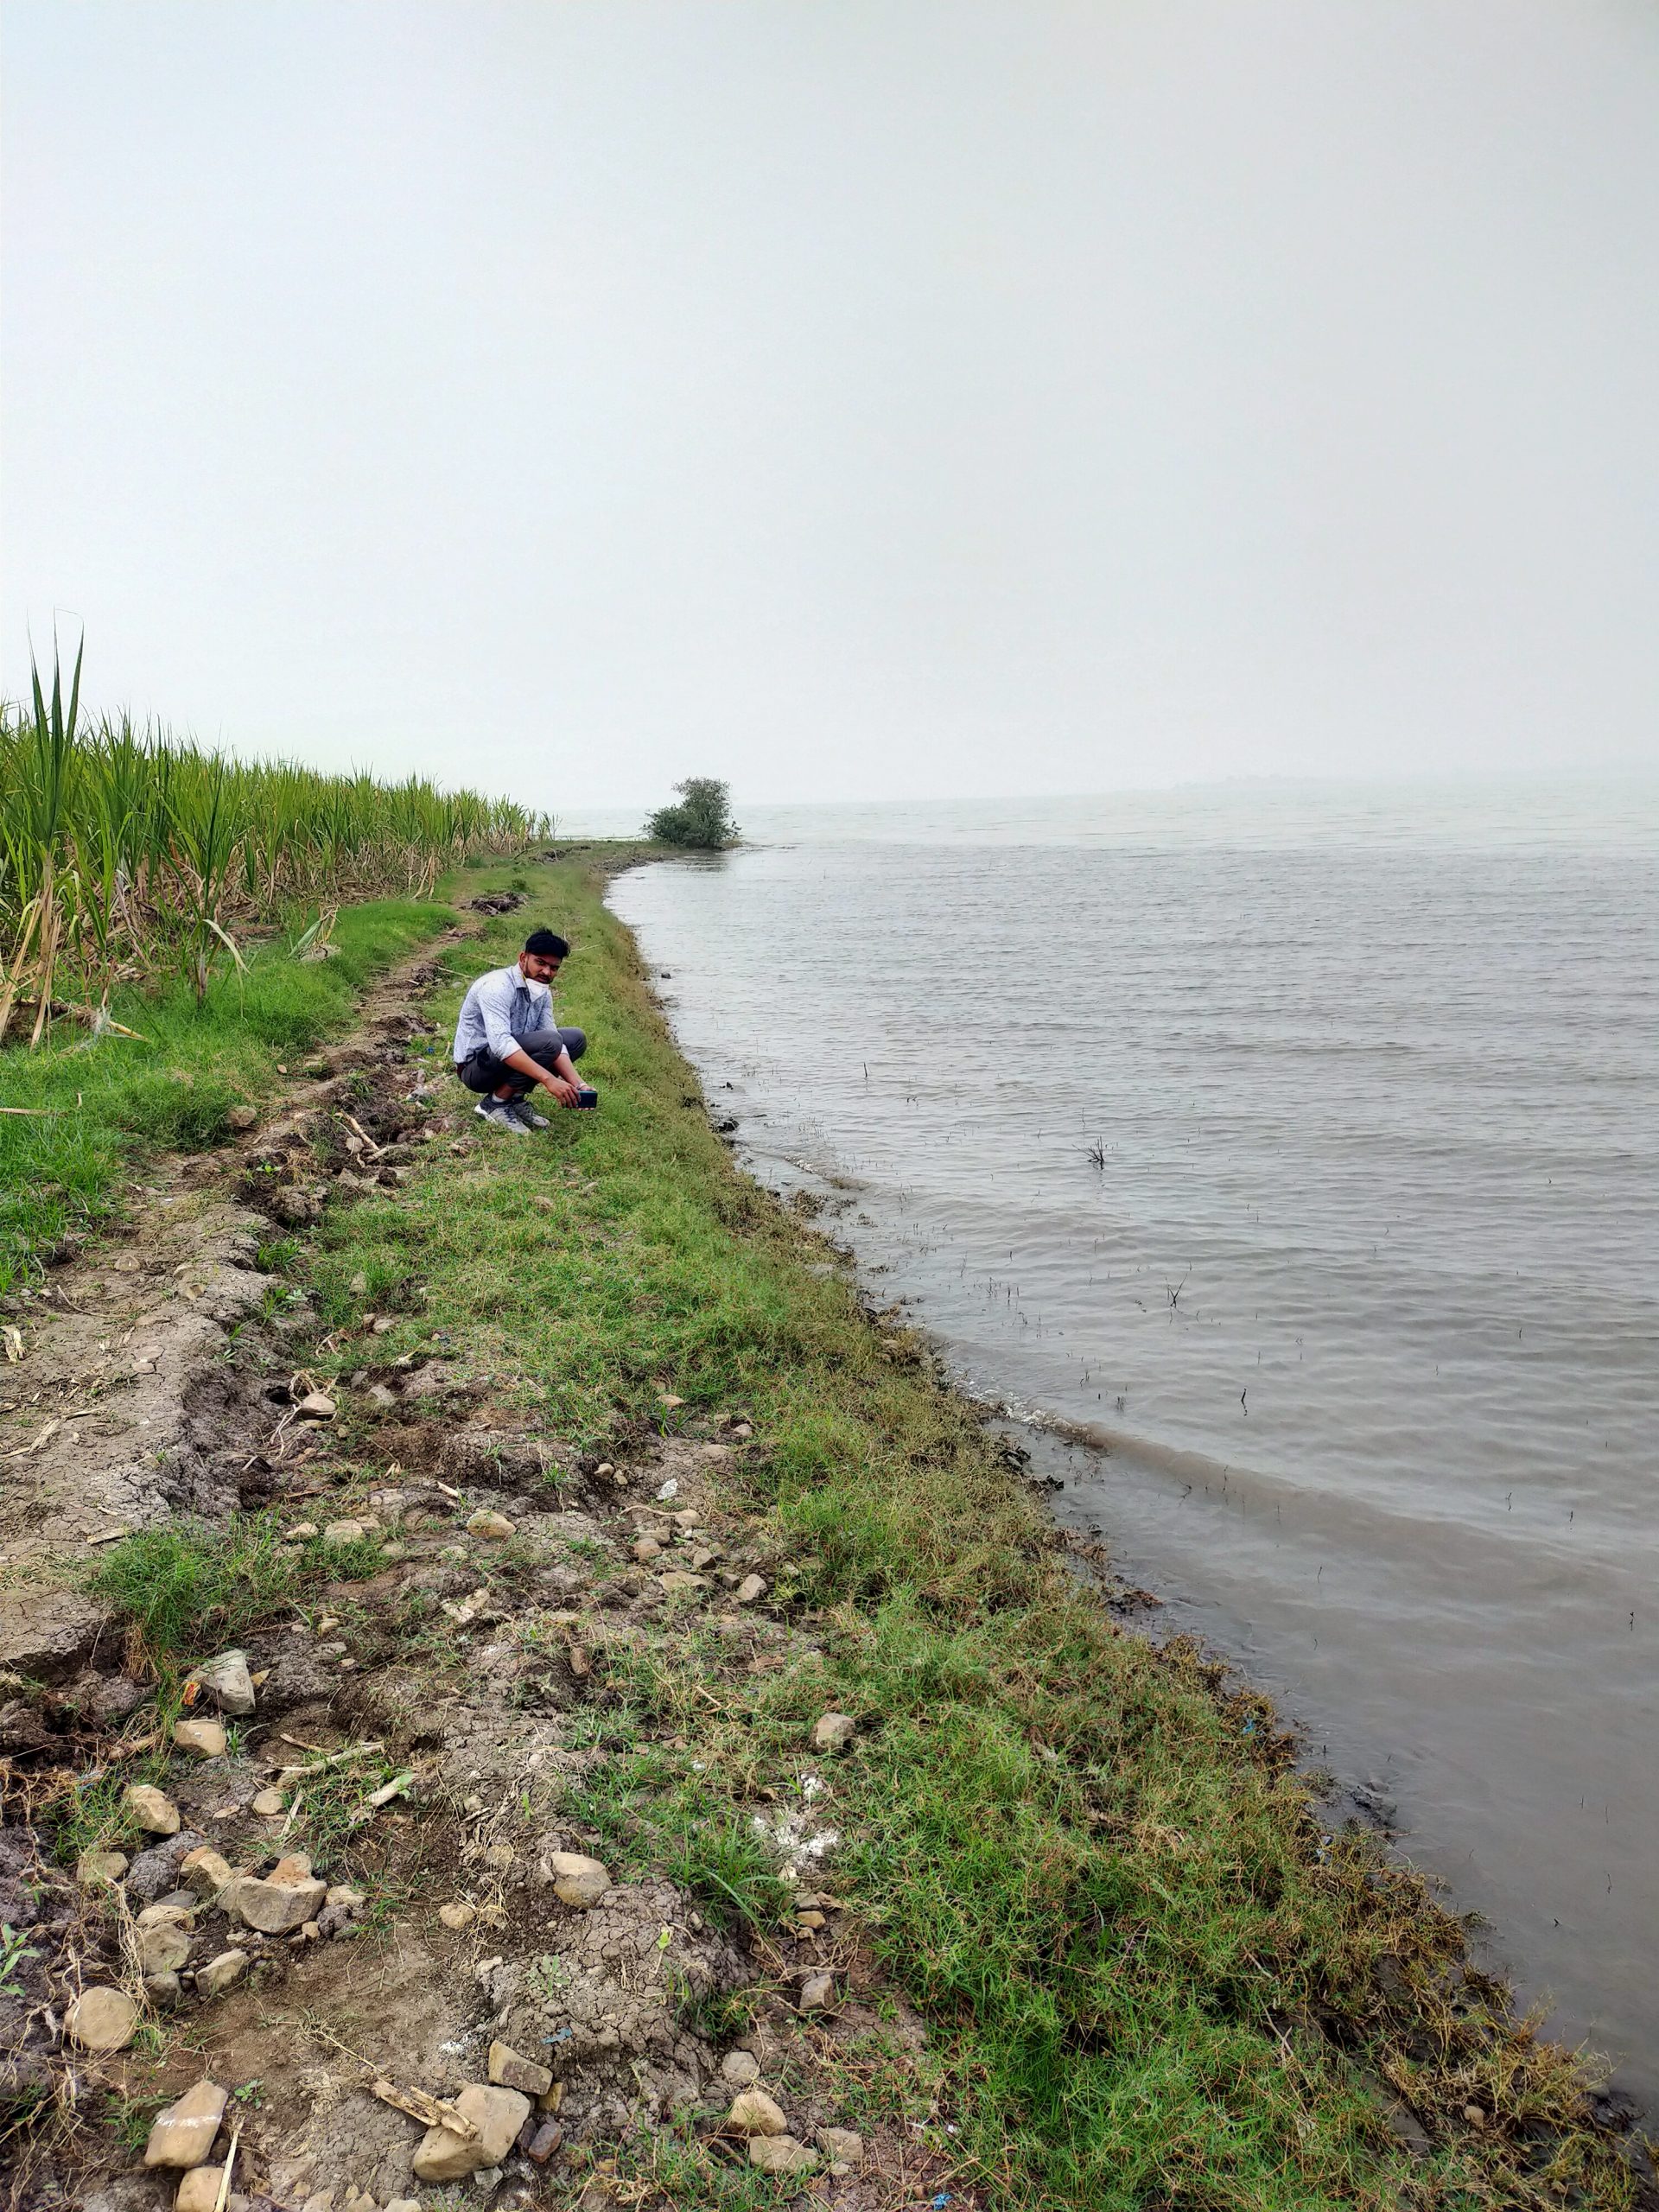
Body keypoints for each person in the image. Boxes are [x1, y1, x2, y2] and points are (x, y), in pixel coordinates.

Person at [451, 928, 594, 1132]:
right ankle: (495, 1104)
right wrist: (550, 1080)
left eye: (554, 968)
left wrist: (579, 1084)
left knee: (574, 1039)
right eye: (541, 963)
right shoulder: (496, 986)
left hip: (506, 1058)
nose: (547, 972)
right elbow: (502, 1045)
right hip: (477, 1067)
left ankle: (514, 1098)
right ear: (523, 958)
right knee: (551, 1042)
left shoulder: (542, 991)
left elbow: (553, 1037)